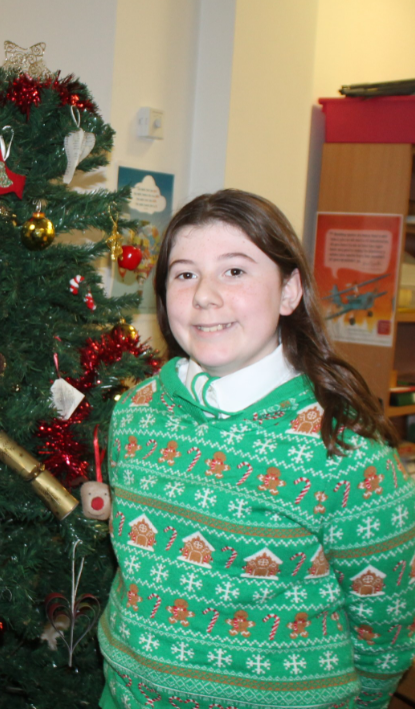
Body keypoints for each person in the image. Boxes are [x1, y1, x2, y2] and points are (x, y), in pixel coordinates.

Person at [98, 189, 415, 709]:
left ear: (289, 292)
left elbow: (385, 628)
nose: (203, 296)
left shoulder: (346, 449)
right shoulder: (137, 411)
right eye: (184, 273)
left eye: (235, 271)